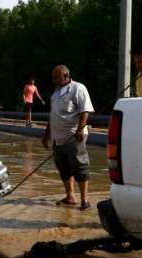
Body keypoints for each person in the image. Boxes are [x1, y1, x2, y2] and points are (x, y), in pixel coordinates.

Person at [42, 65, 94, 210]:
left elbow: (85, 110)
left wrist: (80, 130)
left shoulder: (78, 88)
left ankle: (85, 200)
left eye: (56, 77)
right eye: (53, 77)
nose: (53, 80)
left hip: (73, 137)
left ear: (66, 76)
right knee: (63, 168)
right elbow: (52, 116)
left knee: (80, 166)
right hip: (57, 138)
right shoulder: (55, 94)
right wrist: (46, 135)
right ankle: (70, 197)